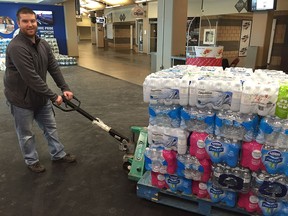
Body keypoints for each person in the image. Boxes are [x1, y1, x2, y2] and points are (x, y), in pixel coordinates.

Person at [3, 7, 76, 173]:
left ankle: (58, 153)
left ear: (37, 22)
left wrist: (64, 87)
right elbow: (30, 77)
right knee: (26, 134)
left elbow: (53, 67)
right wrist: (52, 95)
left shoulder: (43, 44)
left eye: (32, 21)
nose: (30, 24)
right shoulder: (17, 47)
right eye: (25, 21)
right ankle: (31, 160)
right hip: (21, 99)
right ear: (18, 23)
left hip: (40, 97)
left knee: (51, 128)